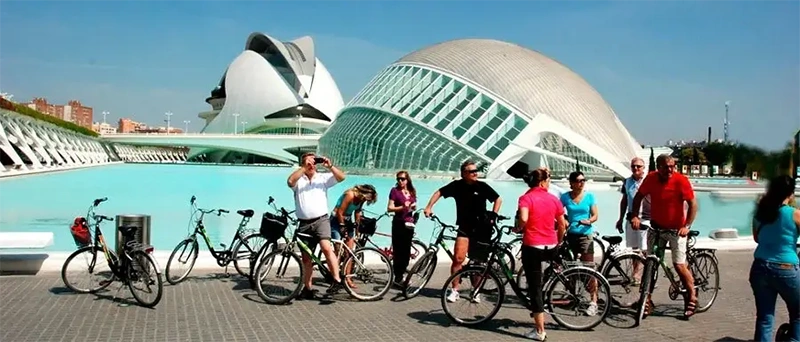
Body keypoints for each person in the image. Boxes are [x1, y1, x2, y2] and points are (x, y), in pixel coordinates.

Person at [423, 160, 502, 303]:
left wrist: (493, 216)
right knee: (458, 259)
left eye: (476, 170)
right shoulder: (457, 186)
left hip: (482, 229)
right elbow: (439, 192)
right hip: (464, 227)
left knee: (478, 262)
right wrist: (429, 207)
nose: (475, 173)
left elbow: (498, 199)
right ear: (464, 173)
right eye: (472, 171)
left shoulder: (482, 186)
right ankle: (455, 290)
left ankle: (475, 290)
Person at [630, 154, 698, 319]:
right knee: (650, 264)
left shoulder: (680, 180)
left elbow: (693, 204)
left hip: (676, 230)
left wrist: (686, 226)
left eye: (672, 166)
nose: (670, 170)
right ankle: (647, 299)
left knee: (679, 265)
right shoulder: (651, 179)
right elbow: (638, 197)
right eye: (666, 167)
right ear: (658, 167)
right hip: (656, 228)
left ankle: (692, 296)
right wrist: (635, 216)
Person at [515, 168, 568, 341]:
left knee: (535, 288)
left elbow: (523, 218)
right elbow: (562, 224)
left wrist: (518, 228)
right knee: (547, 275)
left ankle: (539, 331)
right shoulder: (553, 199)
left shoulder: (526, 198)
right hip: (550, 245)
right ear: (543, 182)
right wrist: (558, 241)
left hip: (532, 246)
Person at [287, 152, 346, 298]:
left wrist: (330, 166)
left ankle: (337, 279)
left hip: (321, 220)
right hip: (304, 223)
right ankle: (307, 288)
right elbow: (289, 182)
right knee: (306, 258)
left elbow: (341, 177)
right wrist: (303, 167)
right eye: (309, 161)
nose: (312, 164)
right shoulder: (299, 180)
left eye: (314, 161)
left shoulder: (323, 178)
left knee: (326, 247)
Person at [749, 175, 800, 342]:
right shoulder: (795, 214)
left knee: (765, 317)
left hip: (760, 268)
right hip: (786, 269)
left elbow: (757, 238)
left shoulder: (760, 213)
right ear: (791, 193)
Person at [559, 171, 599, 316]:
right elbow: (557, 212)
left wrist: (589, 221)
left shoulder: (589, 196)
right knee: (570, 269)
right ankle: (572, 296)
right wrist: (564, 220)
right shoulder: (565, 197)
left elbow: (595, 215)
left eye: (583, 180)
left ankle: (594, 301)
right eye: (578, 180)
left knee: (589, 269)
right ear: (571, 183)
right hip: (570, 235)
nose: (581, 183)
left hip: (585, 235)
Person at [331, 184, 377, 287]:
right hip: (336, 219)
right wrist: (342, 226)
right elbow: (340, 212)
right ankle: (335, 278)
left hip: (347, 219)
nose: (365, 201)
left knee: (350, 252)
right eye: (366, 198)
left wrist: (357, 228)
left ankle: (348, 279)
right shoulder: (350, 195)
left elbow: (357, 212)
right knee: (338, 251)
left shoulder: (361, 199)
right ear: (363, 193)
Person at [616, 157, 652, 285]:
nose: (636, 168)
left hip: (646, 218)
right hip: (631, 218)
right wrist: (620, 218)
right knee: (634, 249)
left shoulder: (649, 181)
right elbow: (624, 201)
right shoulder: (627, 182)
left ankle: (647, 276)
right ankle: (636, 273)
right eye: (633, 166)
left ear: (643, 168)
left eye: (638, 166)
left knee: (644, 249)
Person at [387, 170, 417, 285]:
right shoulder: (394, 191)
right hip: (399, 223)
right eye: (398, 179)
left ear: (407, 179)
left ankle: (402, 274)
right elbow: (389, 208)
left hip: (409, 223)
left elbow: (413, 205)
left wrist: (413, 207)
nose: (400, 181)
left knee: (406, 251)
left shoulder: (411, 191)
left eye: (402, 179)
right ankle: (398, 276)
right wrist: (402, 207)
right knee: (398, 250)